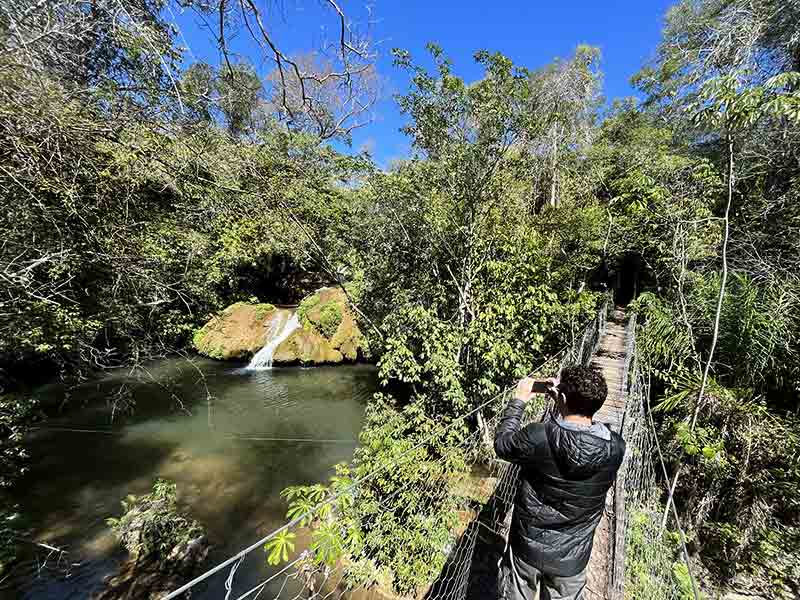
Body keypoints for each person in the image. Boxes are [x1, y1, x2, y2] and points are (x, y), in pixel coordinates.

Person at [494, 365, 625, 600]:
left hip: (527, 547)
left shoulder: (538, 437)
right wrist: (564, 402)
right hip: (572, 558)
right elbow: (572, 435)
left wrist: (520, 400)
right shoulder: (615, 447)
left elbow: (503, 445)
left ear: (561, 396)